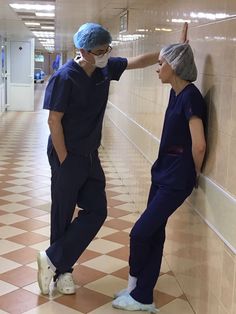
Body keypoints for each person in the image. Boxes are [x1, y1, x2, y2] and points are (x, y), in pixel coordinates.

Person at [37, 22, 188, 296]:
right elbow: (53, 120)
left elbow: (137, 61)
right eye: (99, 50)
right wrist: (65, 159)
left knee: (97, 210)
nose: (106, 54)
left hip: (91, 154)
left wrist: (170, 51)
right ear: (83, 50)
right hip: (66, 154)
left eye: (108, 49)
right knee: (63, 213)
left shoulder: (104, 69)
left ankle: (53, 258)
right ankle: (62, 273)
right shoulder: (64, 77)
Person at [112, 43, 206, 312]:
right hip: (163, 172)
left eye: (161, 63)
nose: (157, 69)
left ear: (174, 67)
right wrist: (182, 42)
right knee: (155, 234)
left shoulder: (191, 98)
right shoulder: (177, 93)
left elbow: (198, 145)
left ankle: (138, 289)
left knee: (140, 233)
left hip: (176, 179)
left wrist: (194, 172)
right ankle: (140, 292)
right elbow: (179, 54)